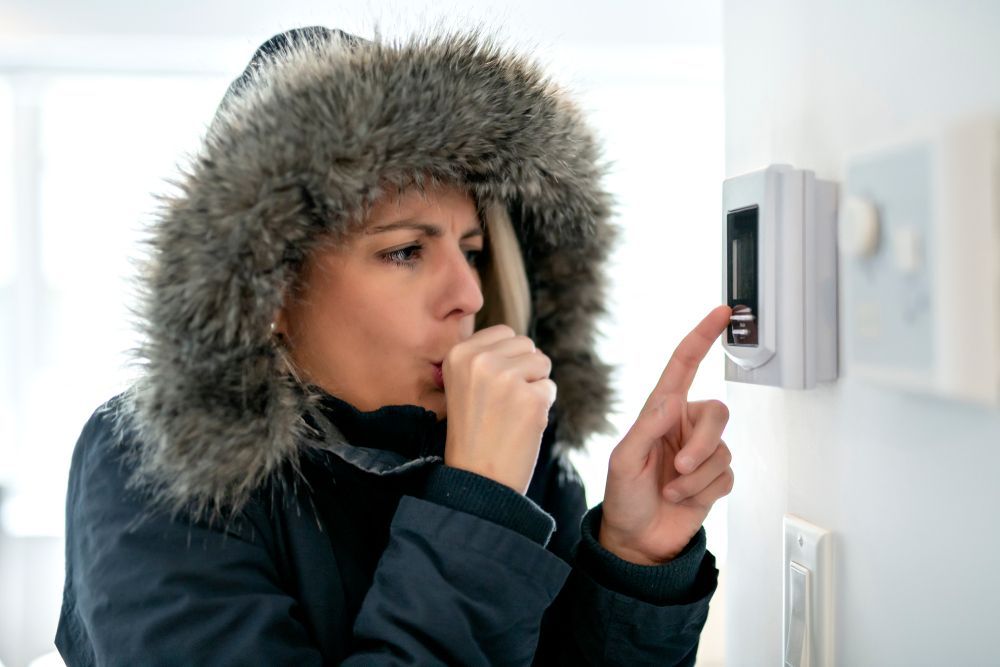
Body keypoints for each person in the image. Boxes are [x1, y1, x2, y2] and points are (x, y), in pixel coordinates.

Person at [54, 25, 735, 666]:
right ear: (269, 286)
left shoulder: (525, 460)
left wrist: (631, 557)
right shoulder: (154, 463)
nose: (468, 292)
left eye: (472, 250)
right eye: (405, 250)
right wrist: (475, 506)